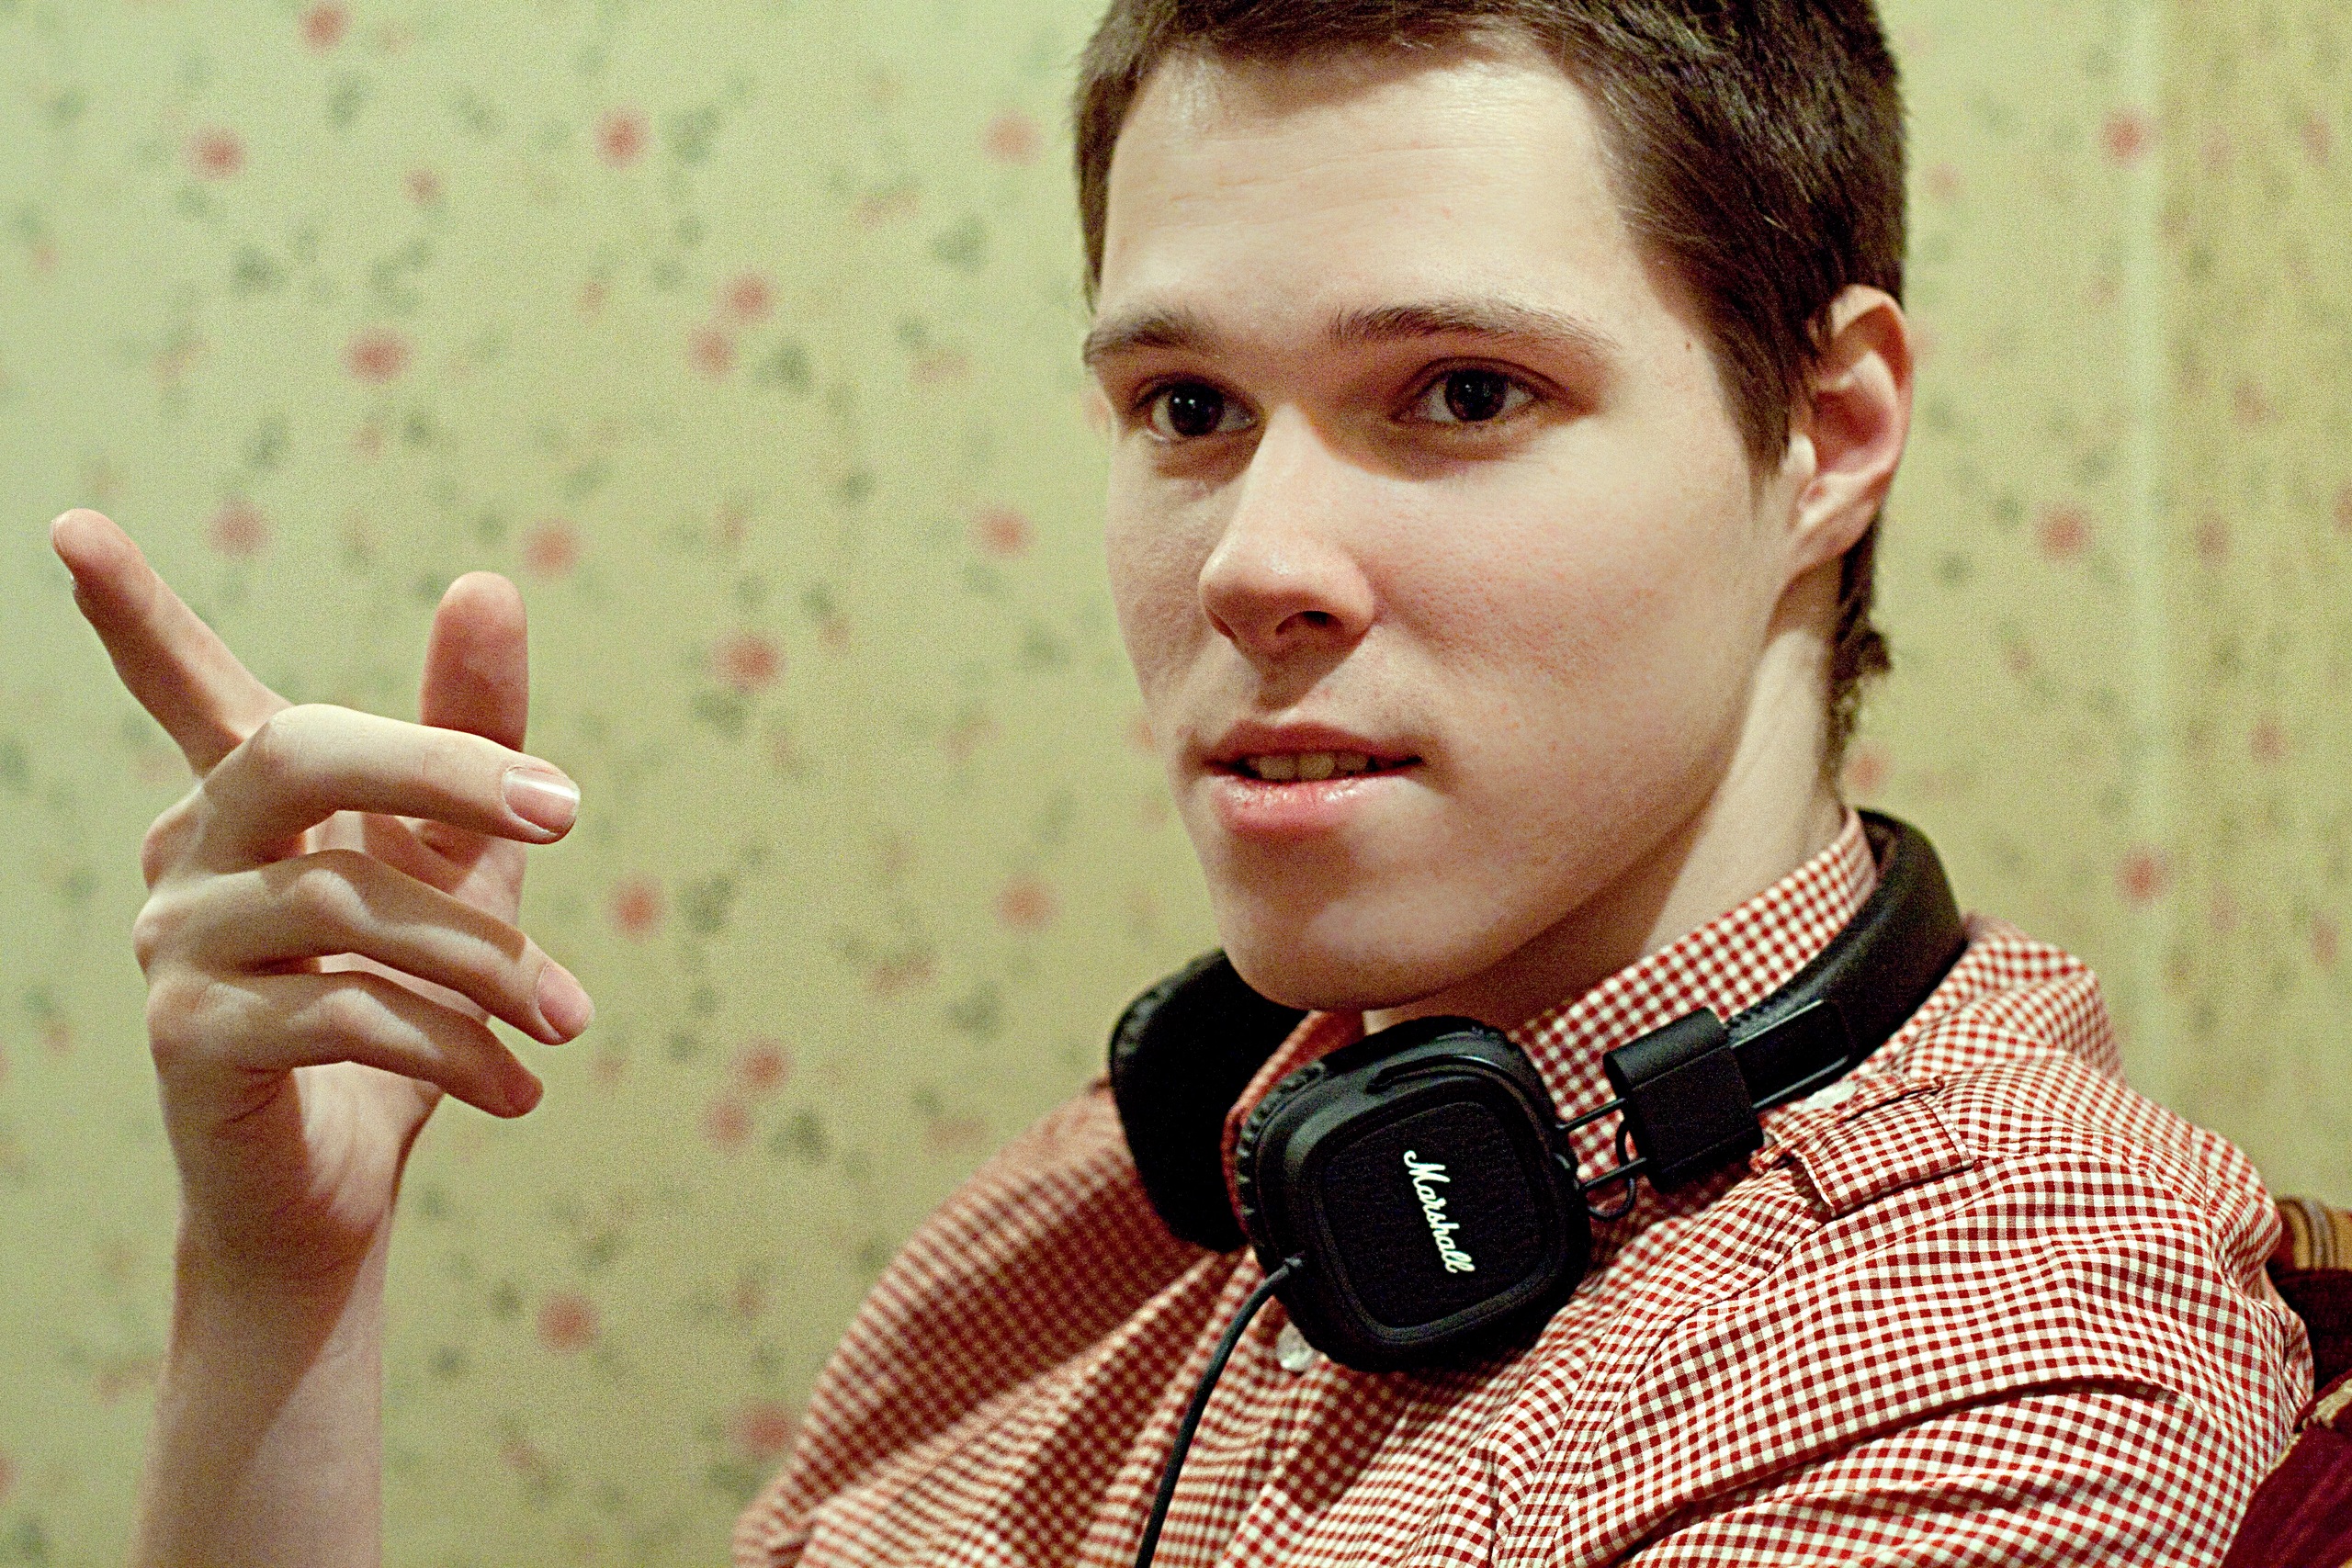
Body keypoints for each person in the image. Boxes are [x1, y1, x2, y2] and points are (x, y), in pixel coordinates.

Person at [50, 0, 2311, 1563]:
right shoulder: (1100, 1215)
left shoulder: (1989, 1347)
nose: (1249, 563)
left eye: (1457, 391)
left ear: (1823, 433)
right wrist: (285, 1286)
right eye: (1186, 409)